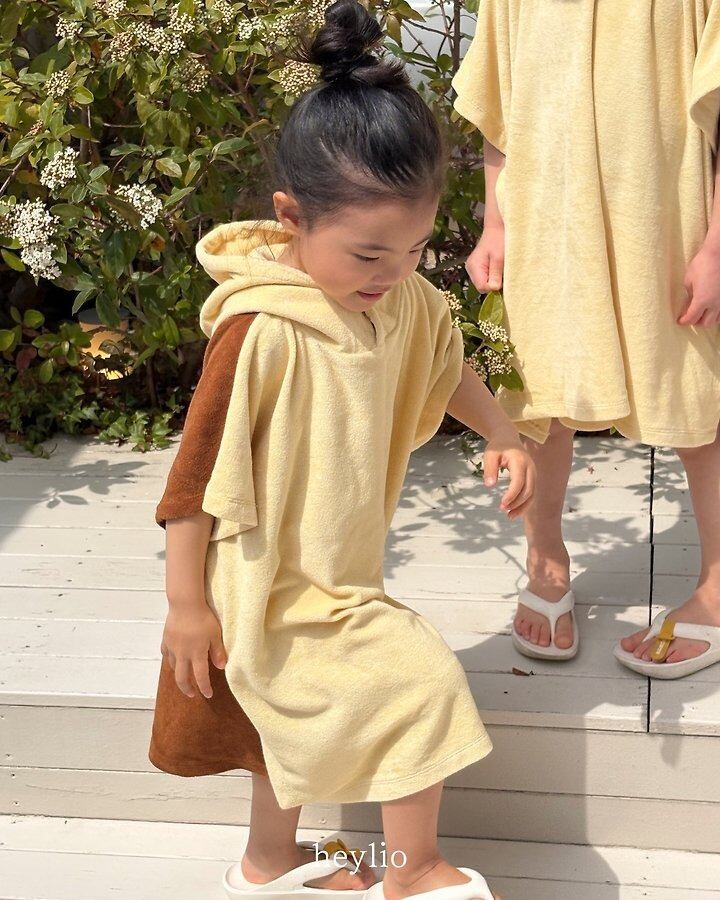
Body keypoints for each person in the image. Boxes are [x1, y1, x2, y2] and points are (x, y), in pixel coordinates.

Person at [148, 2, 535, 897]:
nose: (392, 272)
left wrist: (505, 432)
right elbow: (193, 482)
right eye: (368, 254)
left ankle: (268, 864)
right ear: (291, 217)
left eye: (414, 249)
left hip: (337, 568)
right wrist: (186, 607)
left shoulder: (400, 299)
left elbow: (443, 366)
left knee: (281, 726)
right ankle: (414, 868)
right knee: (417, 680)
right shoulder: (260, 332)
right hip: (265, 583)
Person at [450, 0, 720, 677]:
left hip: (666, 224)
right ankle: (546, 563)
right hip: (546, 221)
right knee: (541, 397)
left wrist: (717, 245)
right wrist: (495, 226)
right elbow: (501, 105)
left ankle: (719, 591)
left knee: (696, 405)